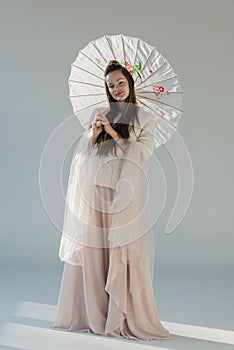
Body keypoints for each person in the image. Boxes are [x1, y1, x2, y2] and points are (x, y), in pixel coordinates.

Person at [50, 60, 174, 341]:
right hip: (96, 191)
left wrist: (115, 133)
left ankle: (122, 317)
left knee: (122, 255)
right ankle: (94, 314)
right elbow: (85, 158)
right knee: (94, 255)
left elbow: (143, 156)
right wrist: (94, 136)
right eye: (110, 85)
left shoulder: (145, 118)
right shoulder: (101, 114)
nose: (116, 88)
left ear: (130, 83)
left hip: (124, 196)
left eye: (120, 83)